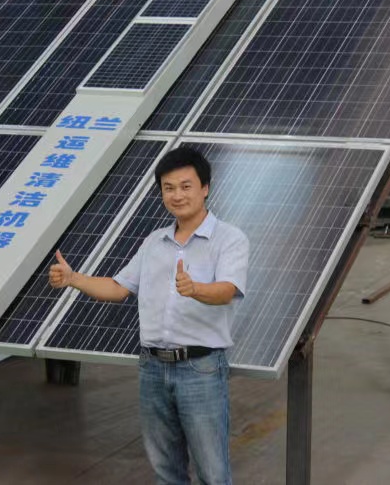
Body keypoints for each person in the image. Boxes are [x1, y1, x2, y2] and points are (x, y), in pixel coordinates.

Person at [49, 146, 249, 484]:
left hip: (199, 368)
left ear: (205, 188)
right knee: (165, 471)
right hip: (152, 368)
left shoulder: (229, 239)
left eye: (186, 186)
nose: (177, 195)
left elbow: (228, 289)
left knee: (212, 473)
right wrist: (73, 279)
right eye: (168, 188)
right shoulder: (154, 242)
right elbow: (118, 288)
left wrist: (195, 289)